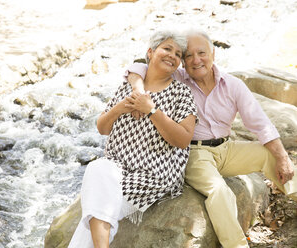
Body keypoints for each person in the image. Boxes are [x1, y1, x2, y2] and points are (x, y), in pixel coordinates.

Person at [125, 29, 297, 248]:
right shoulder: (177, 78)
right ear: (183, 63)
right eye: (188, 56)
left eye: (202, 53)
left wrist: (282, 156)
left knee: (271, 155)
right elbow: (138, 67)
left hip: (227, 149)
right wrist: (138, 88)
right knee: (219, 191)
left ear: (213, 54)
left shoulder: (232, 84)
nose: (196, 60)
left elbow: (261, 123)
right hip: (194, 154)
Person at [68, 30, 198, 248]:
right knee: (97, 168)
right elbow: (102, 127)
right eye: (167, 48)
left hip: (155, 172)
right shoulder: (129, 86)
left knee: (98, 204)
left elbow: (183, 140)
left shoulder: (181, 93)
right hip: (117, 167)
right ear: (150, 52)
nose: (172, 55)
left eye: (178, 54)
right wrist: (119, 109)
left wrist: (151, 110)